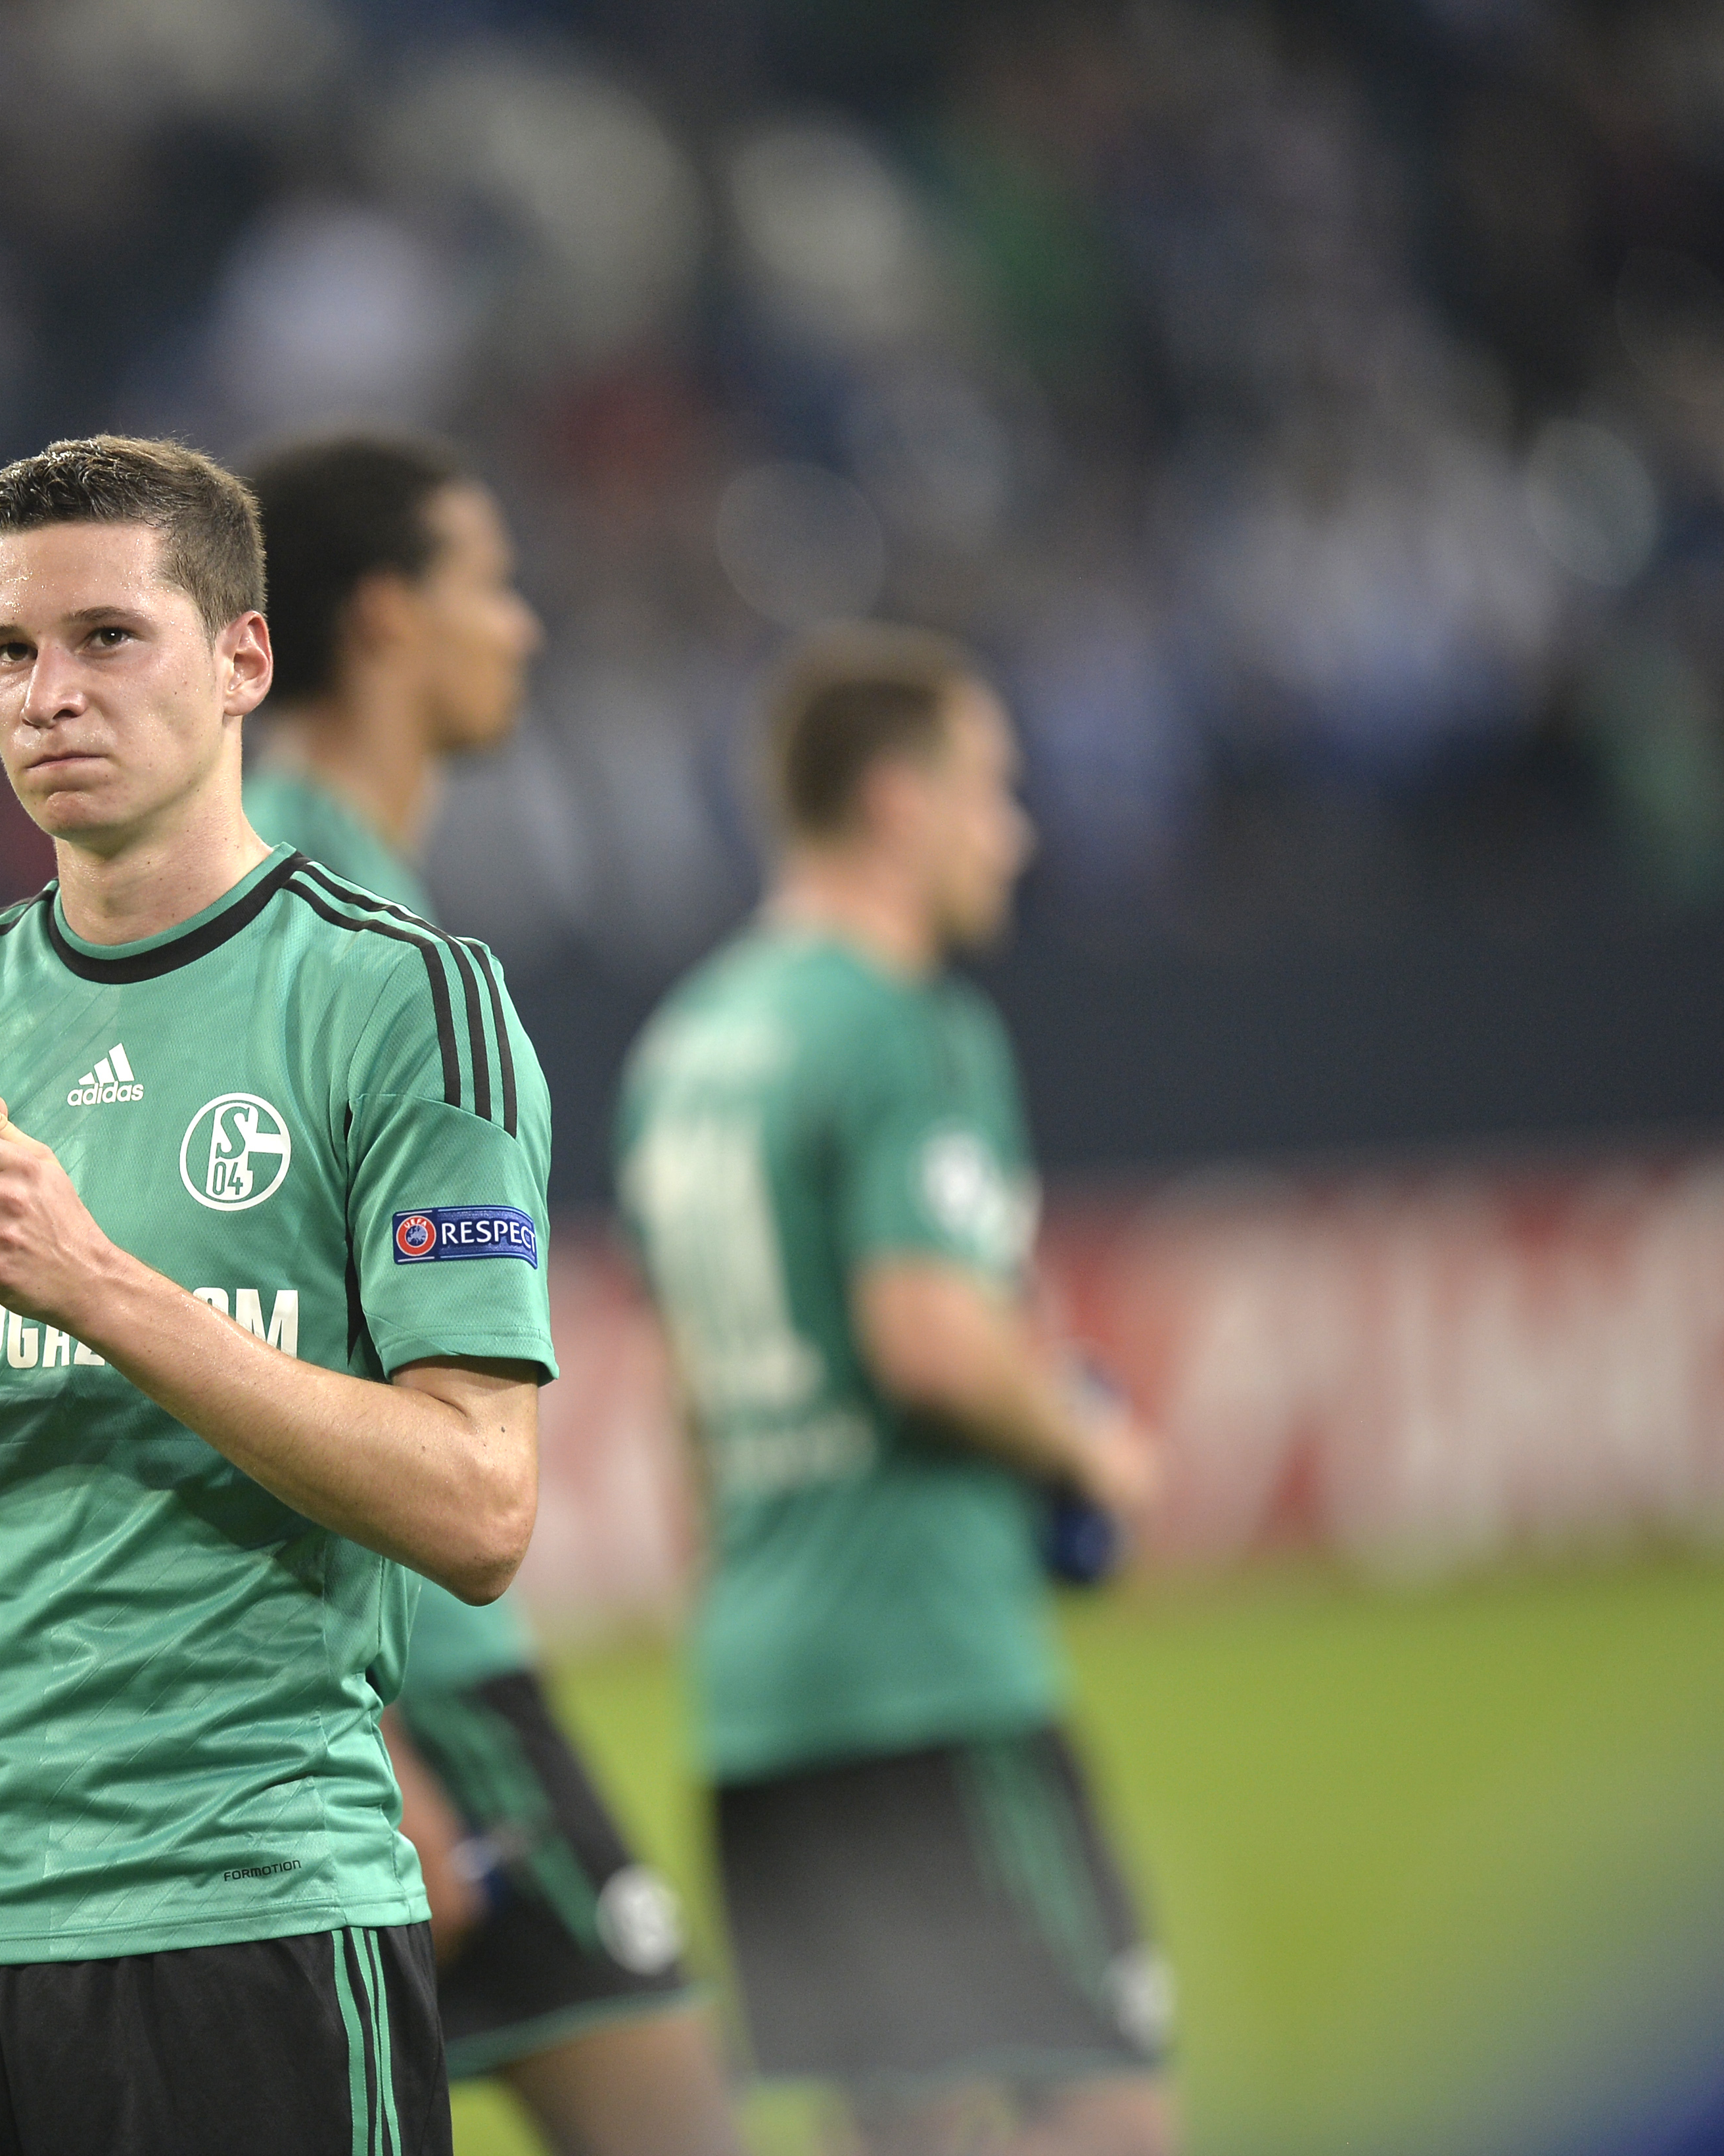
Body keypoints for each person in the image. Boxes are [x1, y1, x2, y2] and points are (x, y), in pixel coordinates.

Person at [0, 434, 557, 2156]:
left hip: (244, 1922)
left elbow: (482, 1505)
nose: (50, 695)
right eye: (8, 652)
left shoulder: (395, 999)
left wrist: (94, 1284)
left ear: (242, 661)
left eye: (109, 638)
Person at [615, 624, 1175, 2156]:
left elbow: (688, 1406)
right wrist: (1090, 1442)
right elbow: (926, 1332)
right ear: (893, 800)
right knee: (1103, 2103)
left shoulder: (692, 1045)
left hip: (765, 1692)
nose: (1019, 827)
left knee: (906, 2128)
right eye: (990, 786)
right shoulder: (899, 1022)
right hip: (929, 1668)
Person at [245, 433, 740, 2156]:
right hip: (405, 1682)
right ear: (386, 622)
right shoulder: (311, 913)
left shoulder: (299, 878)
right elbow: (213, 1310)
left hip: (365, 1681)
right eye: (490, 586)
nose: (520, 629)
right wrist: (359, 1739)